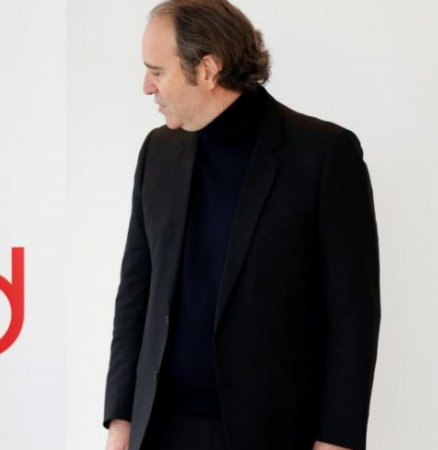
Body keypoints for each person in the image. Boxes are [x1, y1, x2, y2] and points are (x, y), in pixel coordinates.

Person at [102, 1, 381, 450]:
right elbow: (136, 294)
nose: (147, 86)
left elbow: (352, 315)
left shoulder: (324, 154)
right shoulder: (158, 151)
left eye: (157, 71)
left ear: (207, 69)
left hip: (271, 432)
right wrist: (120, 422)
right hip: (159, 430)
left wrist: (337, 442)